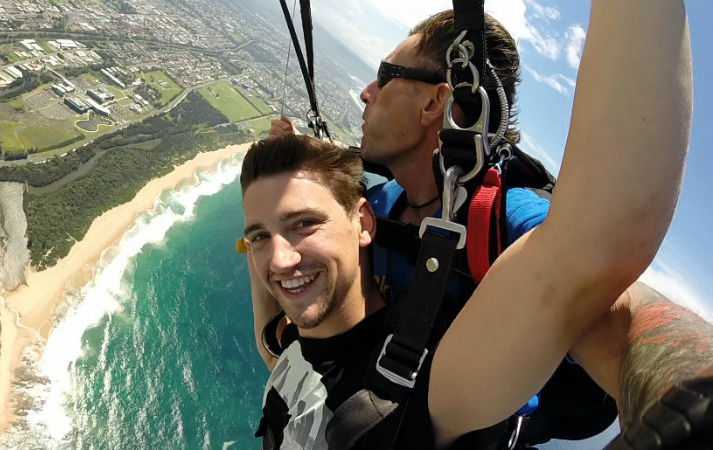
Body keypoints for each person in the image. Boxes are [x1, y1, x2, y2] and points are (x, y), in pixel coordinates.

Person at [262, 2, 713, 447]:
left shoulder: (505, 221)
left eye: (385, 77)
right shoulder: (379, 202)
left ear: (436, 101)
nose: (366, 92)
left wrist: (684, 387)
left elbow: (614, 302)